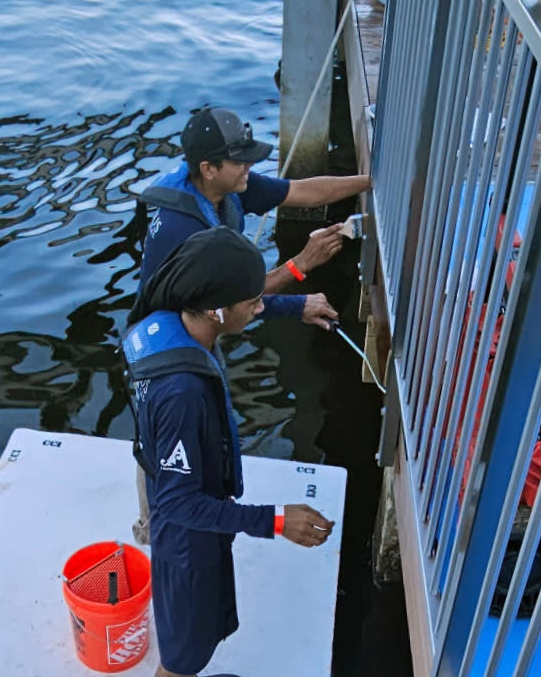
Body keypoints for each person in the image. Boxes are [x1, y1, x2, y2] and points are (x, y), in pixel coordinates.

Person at [123, 229, 334, 677]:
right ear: (217, 309)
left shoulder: (170, 315)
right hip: (186, 531)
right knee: (181, 645)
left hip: (201, 504)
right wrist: (275, 521)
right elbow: (177, 503)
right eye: (252, 302)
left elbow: (248, 306)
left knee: (210, 621)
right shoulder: (181, 394)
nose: (257, 306)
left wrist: (296, 304)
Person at [131, 103, 367, 541]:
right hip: (169, 351)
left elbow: (303, 191)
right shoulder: (184, 232)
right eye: (241, 160)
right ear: (208, 167)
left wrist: (371, 181)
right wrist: (300, 267)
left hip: (199, 332)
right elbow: (230, 303)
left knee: (203, 443)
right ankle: (153, 531)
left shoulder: (227, 187)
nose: (250, 166)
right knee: (164, 452)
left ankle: (205, 511)